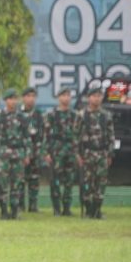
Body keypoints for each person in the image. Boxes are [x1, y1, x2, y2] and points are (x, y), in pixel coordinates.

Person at [0, 89, 31, 220]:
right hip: (3, 153)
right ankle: (4, 210)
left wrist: (27, 154)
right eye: (10, 99)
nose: (13, 101)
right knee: (3, 183)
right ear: (5, 101)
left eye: (15, 99)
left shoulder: (22, 117)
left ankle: (15, 210)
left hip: (18, 153)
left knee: (17, 183)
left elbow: (27, 137)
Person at [77, 86, 114, 219]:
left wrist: (110, 154)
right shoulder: (81, 115)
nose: (96, 98)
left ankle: (97, 210)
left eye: (99, 96)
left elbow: (111, 136)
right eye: (94, 96)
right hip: (87, 153)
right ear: (88, 98)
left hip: (102, 153)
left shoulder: (106, 116)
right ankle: (88, 210)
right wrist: (77, 155)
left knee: (101, 182)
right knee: (87, 182)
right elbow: (75, 136)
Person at [43, 87, 79, 216]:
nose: (66, 98)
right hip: (56, 150)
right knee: (55, 181)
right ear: (58, 98)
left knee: (69, 181)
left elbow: (78, 135)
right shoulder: (51, 114)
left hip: (70, 150)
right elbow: (45, 134)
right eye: (63, 95)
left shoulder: (75, 115)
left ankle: (67, 208)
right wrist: (46, 152)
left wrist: (77, 153)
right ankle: (57, 208)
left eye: (68, 95)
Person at [18, 87, 44, 212]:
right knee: (20, 178)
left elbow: (43, 133)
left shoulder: (39, 114)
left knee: (34, 178)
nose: (30, 99)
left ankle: (33, 205)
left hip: (36, 150)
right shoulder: (18, 114)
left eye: (33, 96)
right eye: (28, 96)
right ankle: (20, 204)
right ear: (23, 98)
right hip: (21, 151)